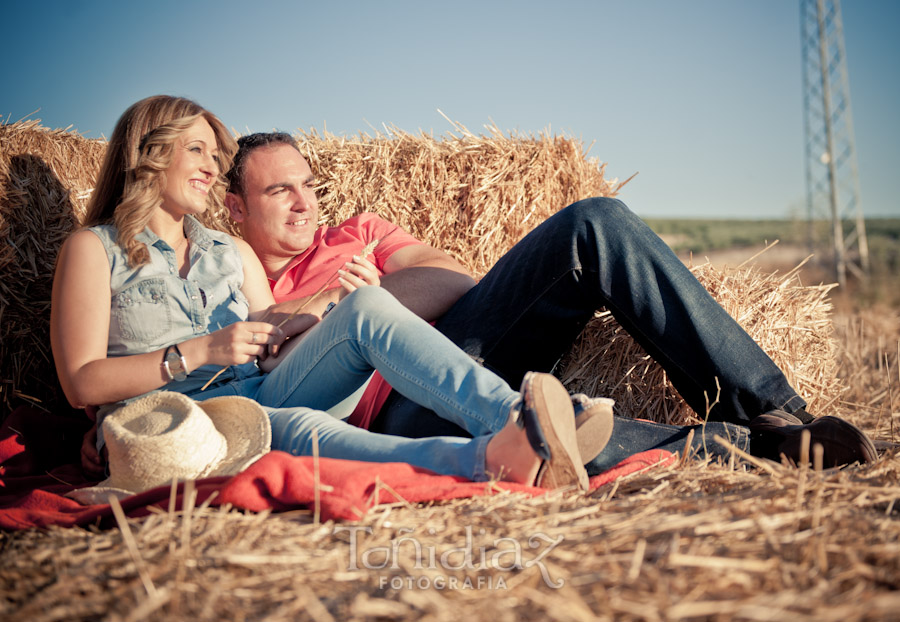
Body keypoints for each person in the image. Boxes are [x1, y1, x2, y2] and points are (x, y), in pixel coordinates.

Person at [224, 132, 877, 472]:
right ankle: (750, 452)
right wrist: (331, 309)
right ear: (235, 207)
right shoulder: (230, 276)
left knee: (595, 222)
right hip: (393, 418)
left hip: (463, 344)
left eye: (308, 184)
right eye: (281, 191)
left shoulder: (358, 232)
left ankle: (775, 411)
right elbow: (257, 389)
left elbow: (453, 278)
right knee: (547, 429)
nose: (306, 202)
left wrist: (372, 296)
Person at [51, 95, 597, 492]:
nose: (212, 167)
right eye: (197, 150)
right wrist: (201, 351)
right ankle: (489, 462)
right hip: (178, 418)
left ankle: (518, 419)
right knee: (299, 427)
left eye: (215, 155)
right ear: (147, 152)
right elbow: (81, 383)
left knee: (366, 304)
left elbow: (268, 344)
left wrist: (303, 321)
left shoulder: (229, 252)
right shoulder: (93, 250)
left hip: (257, 393)